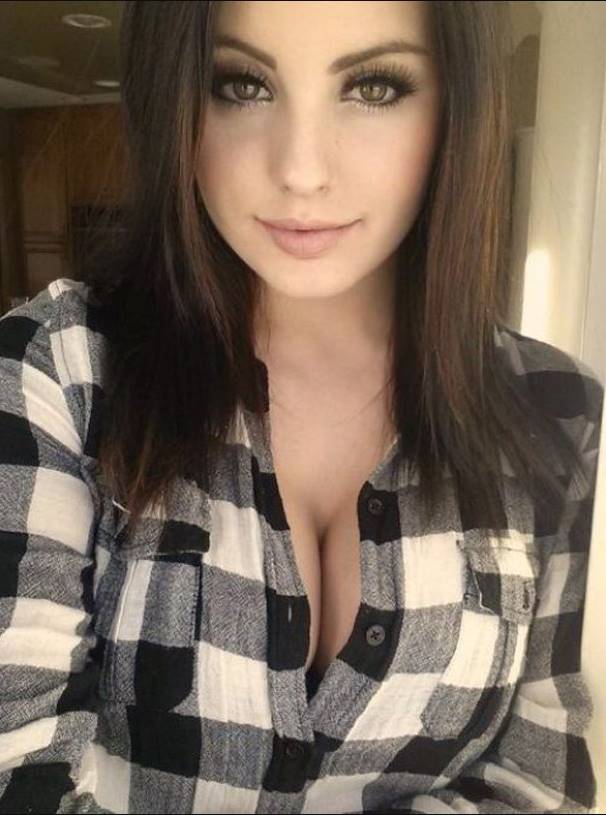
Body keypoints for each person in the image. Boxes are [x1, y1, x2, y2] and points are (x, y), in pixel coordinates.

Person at [0, 2, 602, 813]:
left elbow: (532, 780)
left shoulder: (556, 413)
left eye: (374, 87)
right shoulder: (60, 368)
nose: (302, 170)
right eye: (241, 84)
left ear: (457, 105)